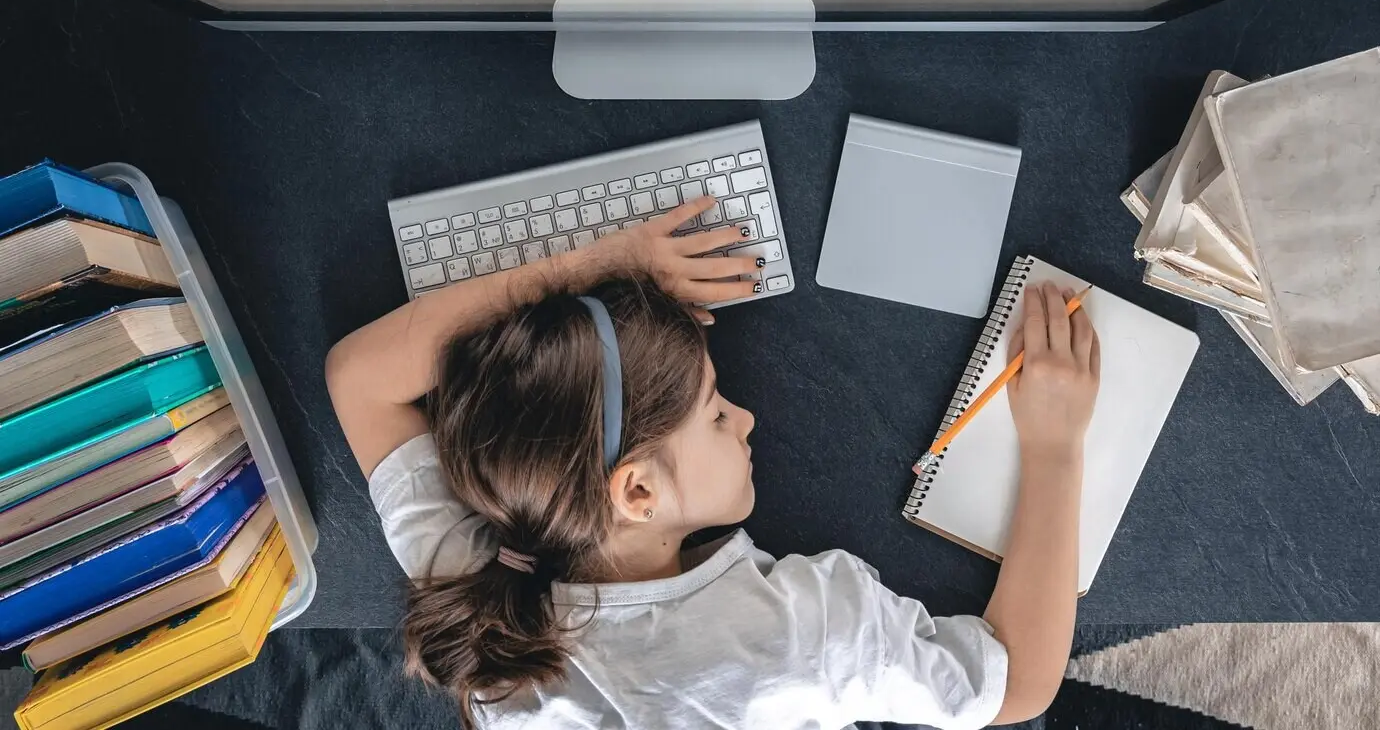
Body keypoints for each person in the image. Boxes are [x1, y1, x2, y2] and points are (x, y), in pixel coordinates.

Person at [325, 195, 1100, 729]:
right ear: (637, 490)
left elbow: (359, 379)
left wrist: (596, 271)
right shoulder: (807, 636)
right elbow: (1016, 682)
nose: (747, 418)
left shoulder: (492, 620)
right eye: (717, 412)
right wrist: (1054, 446)